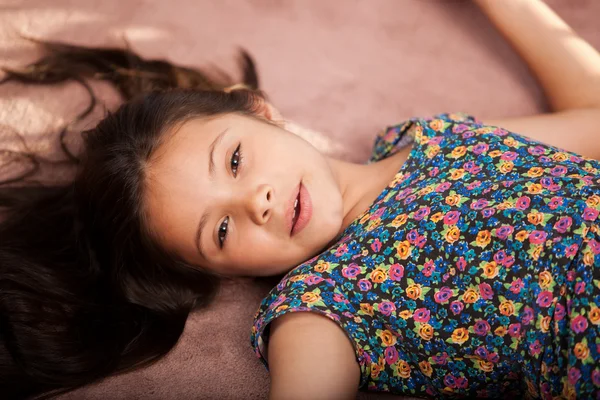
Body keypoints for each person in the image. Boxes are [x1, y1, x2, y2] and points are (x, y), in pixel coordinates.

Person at [0, 0, 599, 398]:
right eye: (222, 231)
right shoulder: (319, 307)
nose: (256, 202)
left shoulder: (433, 137)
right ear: (218, 274)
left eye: (234, 160)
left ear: (258, 109)